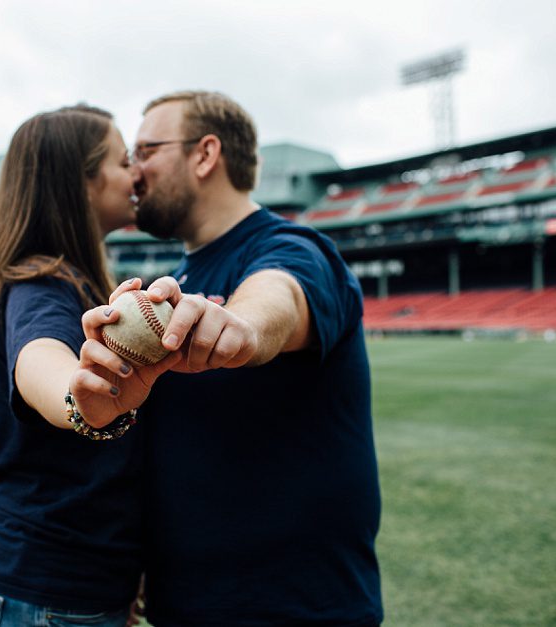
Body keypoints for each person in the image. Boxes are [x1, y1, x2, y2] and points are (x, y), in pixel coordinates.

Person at [70, 91, 383, 626]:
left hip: (296, 611)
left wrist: (245, 329)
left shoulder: (293, 248)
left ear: (205, 154)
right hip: (184, 607)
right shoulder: (176, 280)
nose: (133, 171)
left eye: (145, 150)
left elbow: (277, 298)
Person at [0, 104, 178, 627]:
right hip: (43, 596)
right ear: (80, 184)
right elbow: (43, 363)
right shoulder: (40, 284)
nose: (136, 175)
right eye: (124, 161)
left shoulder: (65, 279)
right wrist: (82, 398)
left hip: (57, 590)